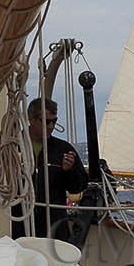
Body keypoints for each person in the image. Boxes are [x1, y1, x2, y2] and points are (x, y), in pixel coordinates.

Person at [11, 97, 88, 238]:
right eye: (46, 121)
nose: (51, 126)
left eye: (54, 121)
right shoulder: (12, 148)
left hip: (54, 227)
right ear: (32, 120)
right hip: (20, 224)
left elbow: (78, 187)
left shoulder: (63, 149)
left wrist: (69, 171)